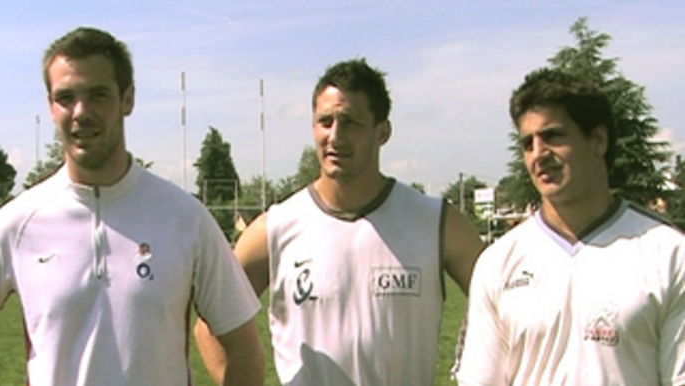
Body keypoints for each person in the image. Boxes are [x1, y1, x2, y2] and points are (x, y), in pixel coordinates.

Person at [193, 58, 484, 385]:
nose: (335, 135)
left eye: (350, 122)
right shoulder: (274, 228)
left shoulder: (436, 222)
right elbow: (209, 324)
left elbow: (506, 304)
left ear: (382, 132)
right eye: (325, 121)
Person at [0, 27, 264, 386]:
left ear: (128, 99)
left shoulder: (185, 218)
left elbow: (243, 347)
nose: (81, 112)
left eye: (98, 95)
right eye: (66, 97)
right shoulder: (17, 224)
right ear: (50, 106)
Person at [455, 68, 685, 385]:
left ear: (598, 140)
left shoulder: (670, 254)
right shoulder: (498, 263)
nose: (539, 154)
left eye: (552, 136)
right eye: (527, 143)